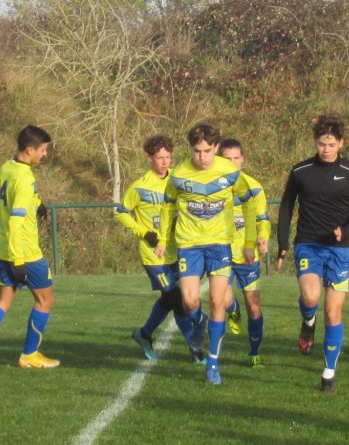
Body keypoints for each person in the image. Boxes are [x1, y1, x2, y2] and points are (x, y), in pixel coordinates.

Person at [155, 123, 256, 385]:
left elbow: (249, 203)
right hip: (189, 244)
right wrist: (163, 239)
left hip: (220, 244)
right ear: (190, 149)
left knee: (217, 301)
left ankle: (212, 364)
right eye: (197, 151)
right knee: (189, 301)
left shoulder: (230, 172)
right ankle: (199, 322)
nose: (202, 157)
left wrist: (249, 241)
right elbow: (167, 207)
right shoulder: (179, 174)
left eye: (207, 151)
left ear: (216, 148)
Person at [276, 113, 349, 394]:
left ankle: (328, 374)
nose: (326, 149)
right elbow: (286, 207)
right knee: (311, 296)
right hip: (308, 244)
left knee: (333, 311)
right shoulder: (301, 171)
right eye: (321, 144)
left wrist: (346, 231)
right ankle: (308, 321)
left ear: (341, 143)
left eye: (331, 144)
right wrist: (282, 244)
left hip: (339, 250)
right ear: (315, 142)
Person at [0, 125, 61, 372]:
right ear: (29, 150)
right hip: (25, 252)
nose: (45, 154)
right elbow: (16, 220)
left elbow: (14, 197)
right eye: (43, 150)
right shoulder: (24, 177)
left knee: (3, 301)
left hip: (2, 249)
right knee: (45, 300)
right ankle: (29, 354)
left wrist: (38, 203)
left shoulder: (7, 167)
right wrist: (19, 260)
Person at [114, 134, 196, 361]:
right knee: (177, 302)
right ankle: (196, 350)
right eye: (160, 158)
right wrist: (144, 232)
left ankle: (144, 334)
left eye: (168, 157)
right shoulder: (140, 186)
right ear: (149, 158)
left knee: (170, 299)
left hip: (176, 252)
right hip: (153, 256)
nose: (165, 162)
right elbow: (121, 213)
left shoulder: (177, 180)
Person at [217, 138, 271, 367]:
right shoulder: (213, 186)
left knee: (254, 307)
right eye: (226, 159)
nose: (232, 163)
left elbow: (263, 220)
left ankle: (254, 353)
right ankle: (233, 309)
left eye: (236, 158)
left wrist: (263, 237)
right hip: (221, 253)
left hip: (247, 256)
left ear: (242, 160)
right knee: (222, 301)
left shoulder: (254, 187)